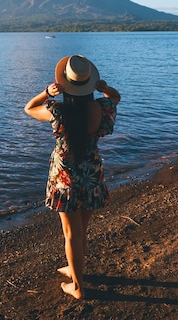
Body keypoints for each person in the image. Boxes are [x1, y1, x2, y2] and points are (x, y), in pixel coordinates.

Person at [24, 54, 121, 299]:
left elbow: (29, 108)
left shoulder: (56, 111)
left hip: (65, 179)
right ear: (89, 85)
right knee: (80, 231)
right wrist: (105, 89)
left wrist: (47, 92)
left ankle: (77, 287)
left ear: (65, 83)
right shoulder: (101, 108)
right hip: (91, 175)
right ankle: (73, 267)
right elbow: (116, 98)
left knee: (71, 234)